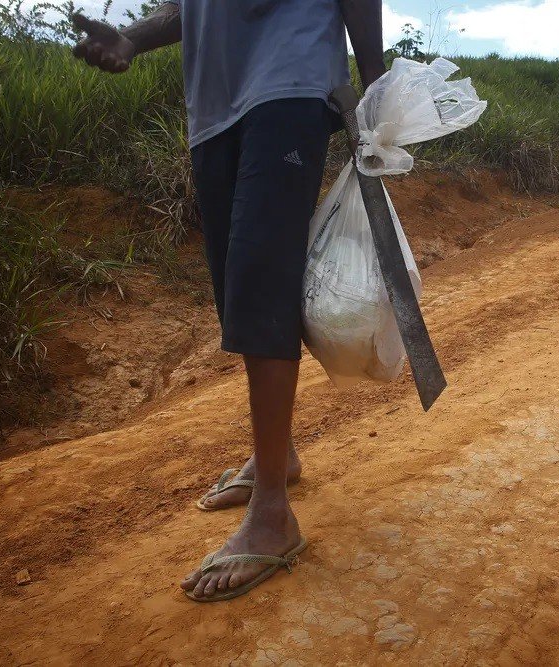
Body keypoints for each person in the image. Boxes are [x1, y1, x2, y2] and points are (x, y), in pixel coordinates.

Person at [71, 0, 386, 602]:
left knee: (261, 280)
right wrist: (132, 38)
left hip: (290, 82)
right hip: (213, 106)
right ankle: (278, 455)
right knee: (237, 287)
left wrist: (374, 79)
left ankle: (273, 515)